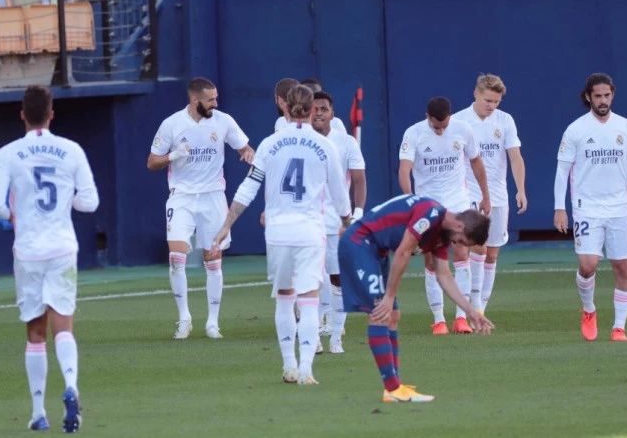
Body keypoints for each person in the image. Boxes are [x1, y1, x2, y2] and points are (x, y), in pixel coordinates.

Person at [210, 83, 351, 385]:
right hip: (310, 232)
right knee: (310, 300)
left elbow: (249, 187)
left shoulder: (269, 144)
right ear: (312, 109)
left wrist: (226, 225)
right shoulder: (326, 146)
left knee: (285, 299)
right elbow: (340, 195)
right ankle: (307, 370)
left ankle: (289, 366)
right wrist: (347, 221)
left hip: (278, 233)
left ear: (285, 107)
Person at [0, 85, 99, 433]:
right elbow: (90, 202)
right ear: (52, 114)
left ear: (22, 114)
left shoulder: (8, 153)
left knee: (35, 333)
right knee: (63, 326)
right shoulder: (71, 150)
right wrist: (67, 202)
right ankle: (71, 386)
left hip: (28, 252)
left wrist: (13, 215)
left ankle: (38, 413)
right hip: (62, 248)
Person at [339, 194, 494, 402]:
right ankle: (392, 389)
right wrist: (389, 296)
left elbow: (443, 274)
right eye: (461, 241)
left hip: (376, 250)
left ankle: (395, 386)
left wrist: (470, 311)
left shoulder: (442, 233)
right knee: (380, 314)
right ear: (459, 226)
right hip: (359, 243)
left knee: (393, 316)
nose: (457, 244)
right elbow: (403, 252)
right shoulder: (430, 214)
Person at [147, 77, 255, 340]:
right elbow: (152, 162)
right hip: (181, 196)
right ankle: (184, 318)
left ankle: (212, 322)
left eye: (216, 98)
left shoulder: (223, 121)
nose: (215, 103)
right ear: (194, 100)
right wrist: (174, 155)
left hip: (213, 196)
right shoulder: (172, 124)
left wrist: (248, 155)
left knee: (213, 259)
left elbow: (245, 148)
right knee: (176, 257)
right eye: (210, 100)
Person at [554, 73, 627, 342]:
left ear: (613, 95)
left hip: (619, 208)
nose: (602, 100)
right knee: (588, 266)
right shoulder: (576, 129)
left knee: (622, 267)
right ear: (588, 96)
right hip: (586, 207)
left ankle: (619, 327)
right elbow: (562, 171)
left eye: (606, 95)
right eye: (597, 96)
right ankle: (589, 309)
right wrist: (559, 207)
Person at [398, 96, 491, 334]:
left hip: (458, 202)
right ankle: (439, 320)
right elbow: (404, 170)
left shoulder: (463, 129)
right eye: (436, 126)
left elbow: (476, 162)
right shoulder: (413, 133)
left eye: (444, 125)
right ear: (427, 117)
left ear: (450, 117)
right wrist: (411, 201)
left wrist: (486, 195)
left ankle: (461, 318)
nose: (441, 130)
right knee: (432, 261)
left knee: (461, 254)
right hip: (429, 206)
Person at [453, 74, 527, 316]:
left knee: (492, 255)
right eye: (487, 100)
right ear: (476, 94)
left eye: (496, 101)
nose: (491, 106)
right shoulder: (459, 121)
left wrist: (521, 189)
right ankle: (472, 306)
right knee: (478, 247)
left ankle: (481, 309)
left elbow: (515, 157)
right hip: (470, 193)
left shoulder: (505, 121)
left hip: (498, 195)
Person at [311, 91, 366, 352]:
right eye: (314, 109)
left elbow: (359, 180)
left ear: (332, 114)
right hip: (308, 222)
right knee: (310, 280)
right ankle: (313, 335)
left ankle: (335, 337)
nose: (318, 113)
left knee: (337, 279)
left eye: (323, 109)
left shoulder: (345, 142)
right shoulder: (300, 140)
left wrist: (357, 214)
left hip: (337, 223)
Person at [275, 77, 346, 134]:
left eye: (316, 95)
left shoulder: (335, 123)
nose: (312, 99)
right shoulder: (282, 121)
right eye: (307, 95)